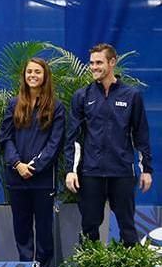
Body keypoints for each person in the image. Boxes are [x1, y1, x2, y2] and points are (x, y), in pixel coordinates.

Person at [65, 43, 153, 245]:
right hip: (91, 173)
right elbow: (73, 137)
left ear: (112, 62)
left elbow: (140, 135)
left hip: (121, 172)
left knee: (127, 227)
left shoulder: (131, 96)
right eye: (92, 63)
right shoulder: (82, 96)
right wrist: (71, 170)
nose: (94, 67)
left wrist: (146, 169)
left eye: (99, 63)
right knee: (89, 228)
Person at [0, 58, 64, 267]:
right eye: (29, 72)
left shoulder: (55, 107)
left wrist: (34, 166)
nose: (33, 75)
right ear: (24, 76)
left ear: (45, 76)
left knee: (45, 226)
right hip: (17, 177)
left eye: (37, 72)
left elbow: (55, 143)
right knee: (22, 226)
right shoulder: (14, 103)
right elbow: (5, 137)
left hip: (43, 179)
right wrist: (17, 164)